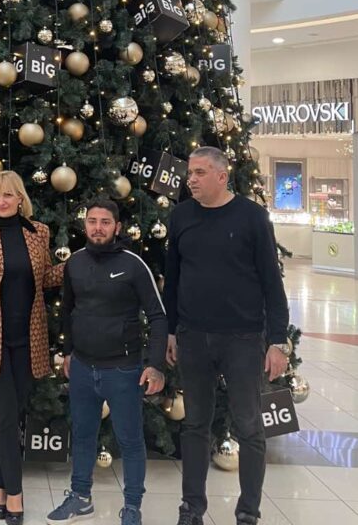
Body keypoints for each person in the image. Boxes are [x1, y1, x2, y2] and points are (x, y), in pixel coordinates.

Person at [164, 147, 290, 525]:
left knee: (249, 427)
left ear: (222, 176)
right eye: (190, 172)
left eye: (200, 172)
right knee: (195, 425)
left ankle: (248, 512)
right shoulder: (181, 216)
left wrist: (278, 341)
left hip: (243, 339)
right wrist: (170, 331)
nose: (191, 179)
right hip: (193, 336)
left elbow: (272, 281)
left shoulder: (252, 217)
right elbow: (174, 278)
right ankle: (191, 508)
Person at [47, 199, 167, 525]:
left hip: (123, 370)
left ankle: (132, 507)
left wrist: (155, 364)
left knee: (130, 441)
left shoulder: (133, 264)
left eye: (105, 222)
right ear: (84, 224)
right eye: (92, 221)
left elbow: (157, 316)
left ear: (117, 226)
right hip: (83, 368)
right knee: (83, 435)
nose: (97, 228)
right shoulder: (74, 263)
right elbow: (67, 310)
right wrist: (68, 352)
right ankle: (80, 498)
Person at [0, 170, 64, 525]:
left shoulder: (39, 233)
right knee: (4, 416)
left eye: (8, 195)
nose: (2, 201)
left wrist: (78, 263)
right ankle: (15, 495)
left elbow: (45, 277)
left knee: (13, 416)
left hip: (27, 340)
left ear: (20, 198)